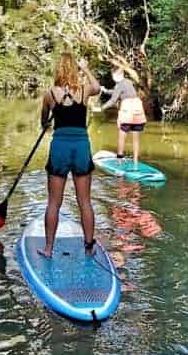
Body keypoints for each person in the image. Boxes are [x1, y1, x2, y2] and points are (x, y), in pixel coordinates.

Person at [38, 53, 101, 258]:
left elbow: (44, 123)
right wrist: (85, 68)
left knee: (53, 202)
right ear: (75, 70)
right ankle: (89, 248)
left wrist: (48, 121)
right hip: (81, 146)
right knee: (85, 201)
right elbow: (98, 87)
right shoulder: (84, 91)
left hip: (60, 148)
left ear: (57, 70)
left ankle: (48, 249)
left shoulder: (49, 95)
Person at [98, 62, 146, 166]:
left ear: (115, 76)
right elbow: (118, 91)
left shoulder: (119, 85)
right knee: (136, 139)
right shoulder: (128, 82)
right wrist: (106, 90)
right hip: (138, 112)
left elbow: (113, 100)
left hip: (128, 113)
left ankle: (119, 161)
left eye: (112, 76)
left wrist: (101, 108)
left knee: (121, 137)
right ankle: (136, 162)